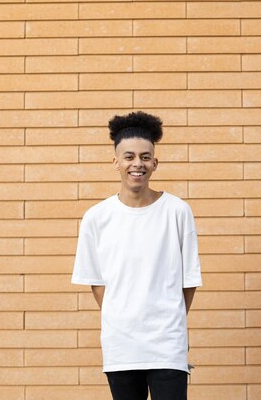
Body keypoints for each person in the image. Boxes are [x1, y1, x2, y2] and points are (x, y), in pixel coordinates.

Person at [71, 111, 202, 400]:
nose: (137, 164)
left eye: (145, 157)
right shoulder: (97, 217)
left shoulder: (177, 211)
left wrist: (168, 320)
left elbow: (189, 280)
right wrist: (124, 315)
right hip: (121, 344)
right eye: (129, 156)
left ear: (155, 162)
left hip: (167, 343)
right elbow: (96, 282)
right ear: (115, 162)